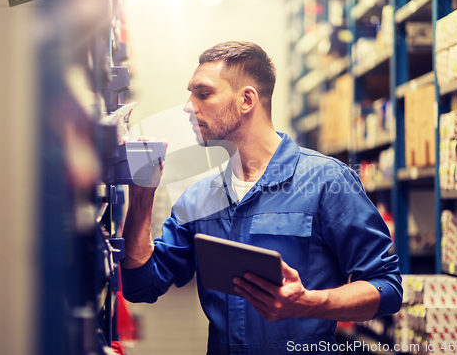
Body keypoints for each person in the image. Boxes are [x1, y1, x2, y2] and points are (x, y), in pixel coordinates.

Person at [121, 41, 402, 355]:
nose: (188, 106)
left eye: (203, 93)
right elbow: (140, 286)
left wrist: (309, 303)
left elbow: (387, 288)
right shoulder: (199, 198)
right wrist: (142, 194)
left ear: (246, 100)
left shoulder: (327, 181)